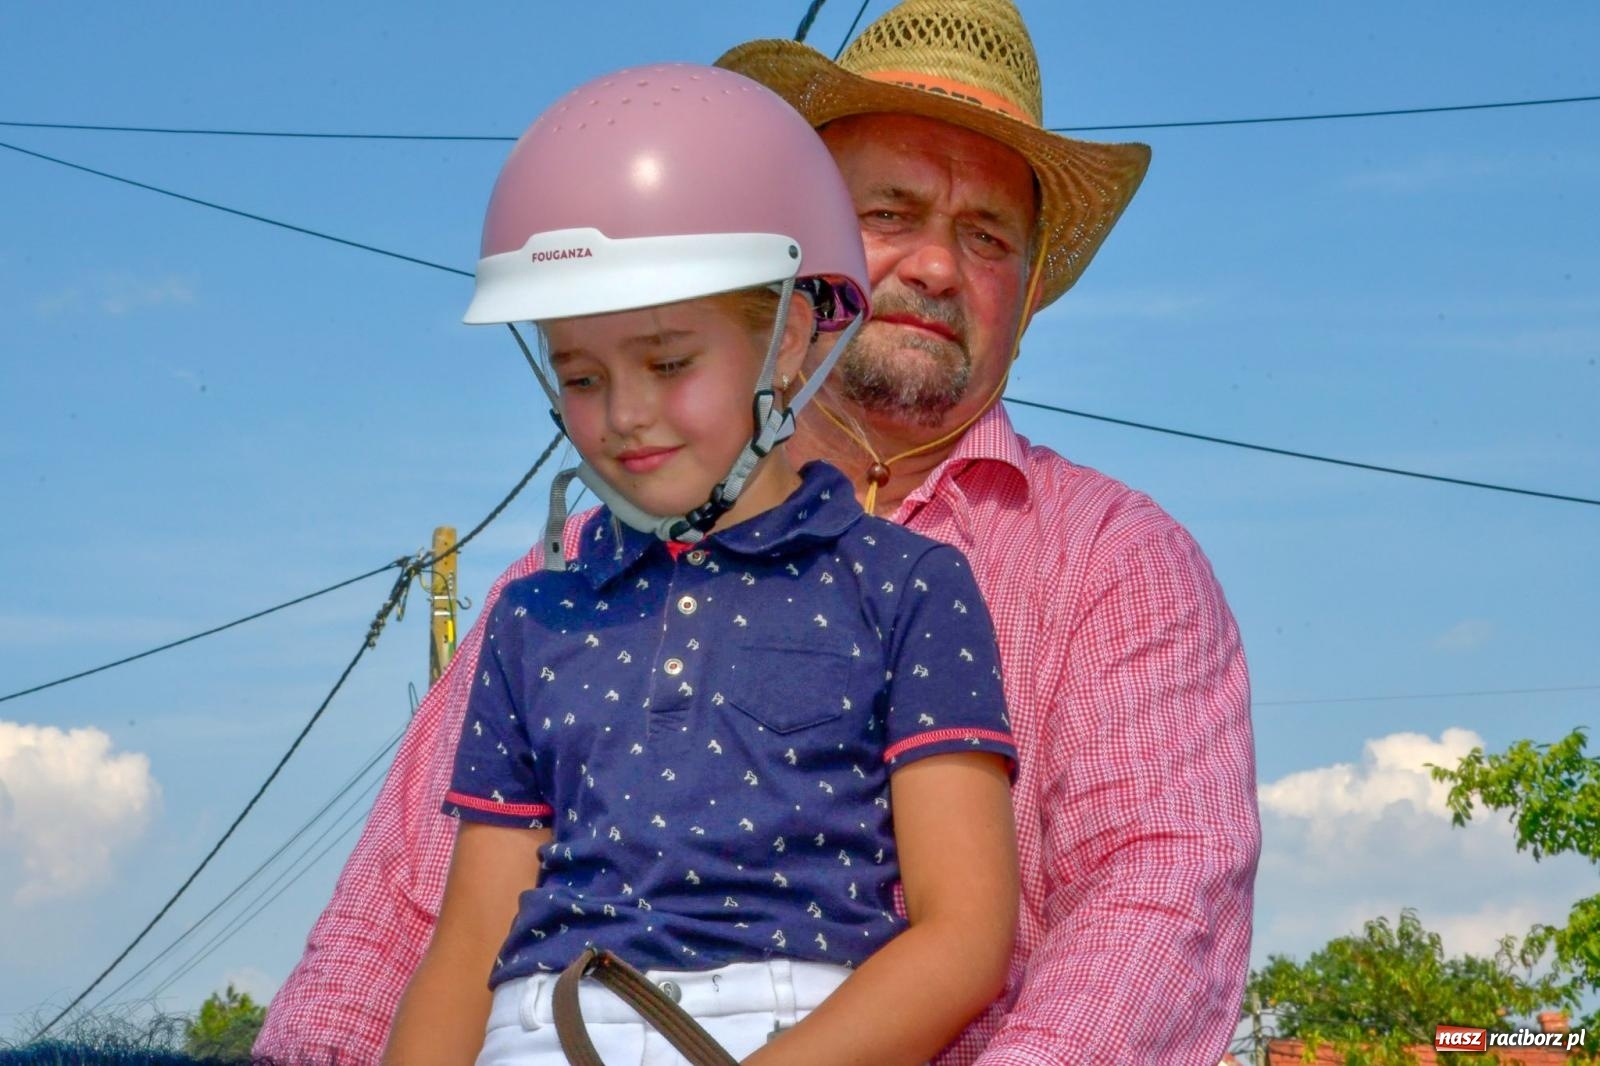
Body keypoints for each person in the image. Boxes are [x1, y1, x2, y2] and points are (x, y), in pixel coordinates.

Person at [257, 1, 1260, 1062]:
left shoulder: (1117, 562)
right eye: (893, 211)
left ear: (1028, 286)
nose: (932, 266)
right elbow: (404, 922)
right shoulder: (562, 583)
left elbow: (1157, 902)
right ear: (801, 264)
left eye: (986, 236)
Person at [380, 62, 1019, 1066]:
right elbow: (468, 944)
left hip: (790, 1035)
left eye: (669, 361)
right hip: (540, 1029)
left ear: (792, 339)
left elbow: (965, 935)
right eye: (580, 375)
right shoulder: (532, 616)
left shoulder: (906, 588)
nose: (623, 413)